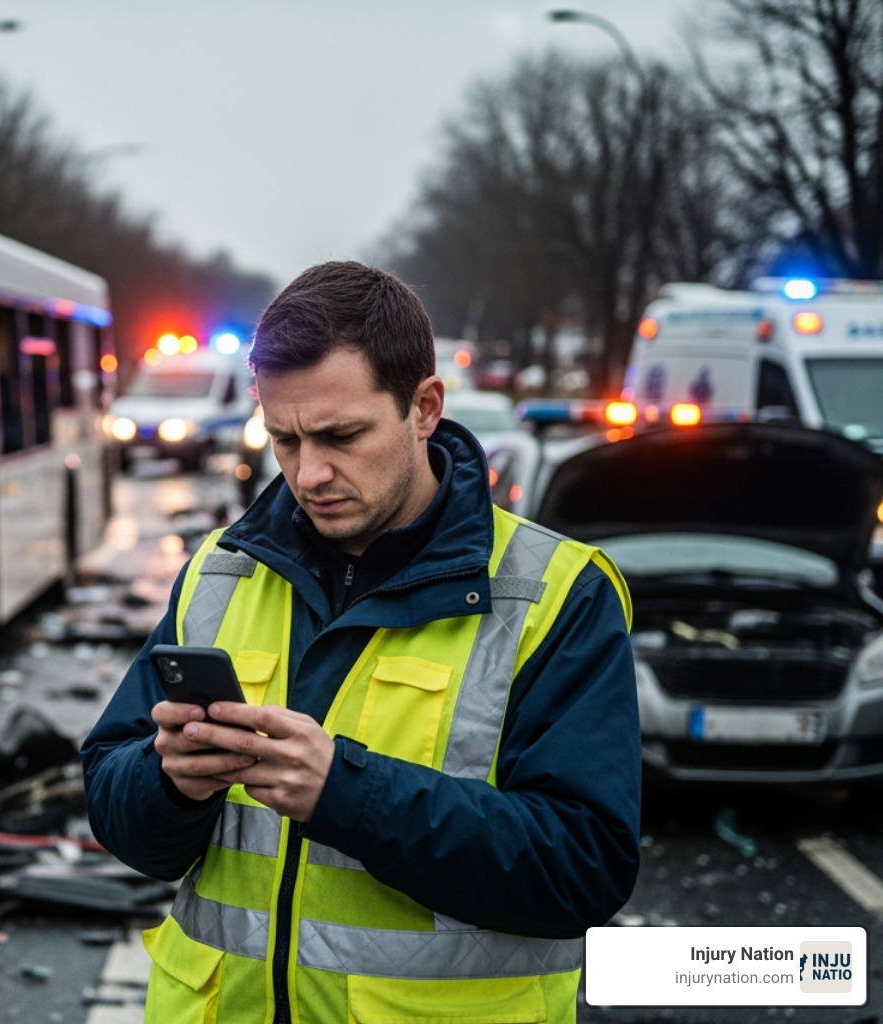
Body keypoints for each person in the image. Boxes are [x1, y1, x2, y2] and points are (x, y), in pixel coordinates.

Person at [81, 262, 639, 1023]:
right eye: (284, 439)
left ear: (424, 408)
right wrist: (169, 782)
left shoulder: (556, 594)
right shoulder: (218, 572)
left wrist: (348, 794)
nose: (310, 474)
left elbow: (586, 868)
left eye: (342, 436)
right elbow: (120, 814)